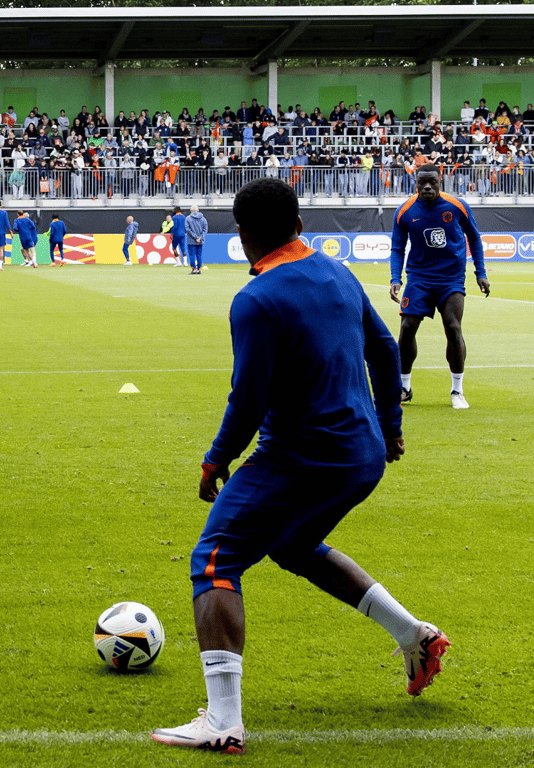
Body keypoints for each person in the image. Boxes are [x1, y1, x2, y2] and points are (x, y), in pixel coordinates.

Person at [152, 178, 448, 755]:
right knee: (290, 545)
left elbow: (249, 399)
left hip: (303, 456)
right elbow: (385, 350)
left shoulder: (256, 299)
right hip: (361, 456)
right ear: (297, 222)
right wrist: (391, 428)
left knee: (214, 560)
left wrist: (216, 459)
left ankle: (223, 721)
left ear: (245, 233)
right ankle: (414, 635)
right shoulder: (335, 271)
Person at [389, 164, 489, 409]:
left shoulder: (457, 206)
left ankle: (457, 391)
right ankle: (404, 387)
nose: (427, 187)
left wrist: (481, 272)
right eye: (422, 182)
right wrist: (395, 278)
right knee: (407, 326)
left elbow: (474, 237)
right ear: (415, 182)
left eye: (432, 182)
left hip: (451, 278)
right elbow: (397, 247)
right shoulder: (404, 211)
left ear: (440, 181)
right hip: (419, 278)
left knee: (453, 328)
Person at [185, 204, 207, 275]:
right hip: (200, 240)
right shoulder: (203, 219)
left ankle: (194, 269)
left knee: (192, 255)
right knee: (199, 255)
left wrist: (195, 237)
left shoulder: (188, 218)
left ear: (191, 210)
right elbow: (205, 229)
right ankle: (199, 269)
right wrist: (200, 237)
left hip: (191, 240)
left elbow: (188, 229)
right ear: (198, 210)